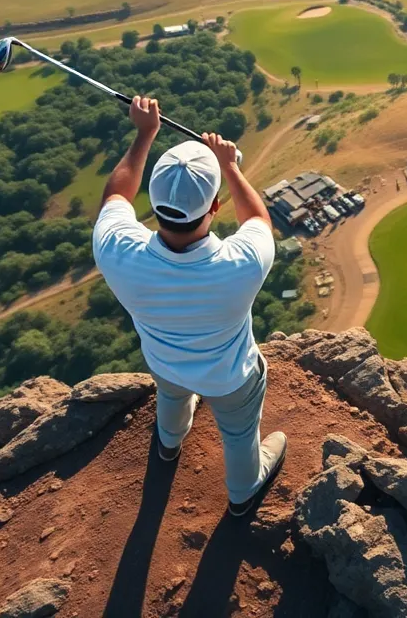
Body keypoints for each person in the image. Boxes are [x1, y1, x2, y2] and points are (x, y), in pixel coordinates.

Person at [92, 96, 284, 517]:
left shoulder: (116, 250)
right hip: (231, 378)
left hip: (164, 362)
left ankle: (169, 443)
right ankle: (242, 492)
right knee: (239, 434)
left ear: (152, 202)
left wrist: (145, 134)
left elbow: (116, 195)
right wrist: (230, 166)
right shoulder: (242, 264)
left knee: (173, 394)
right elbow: (259, 221)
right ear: (214, 206)